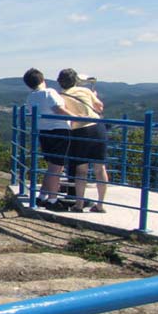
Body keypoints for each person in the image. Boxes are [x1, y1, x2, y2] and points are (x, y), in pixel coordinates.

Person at [58, 68, 108, 213]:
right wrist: (94, 96)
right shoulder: (86, 91)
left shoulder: (61, 96)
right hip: (98, 127)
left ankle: (78, 205)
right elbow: (99, 107)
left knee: (81, 170)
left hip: (79, 130)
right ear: (76, 81)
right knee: (100, 169)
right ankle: (100, 204)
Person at [23, 68, 72, 211]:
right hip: (59, 131)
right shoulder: (49, 92)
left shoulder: (31, 97)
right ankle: (52, 200)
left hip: (44, 132)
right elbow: (58, 109)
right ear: (43, 80)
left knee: (52, 166)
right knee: (56, 168)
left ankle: (43, 196)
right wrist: (76, 117)